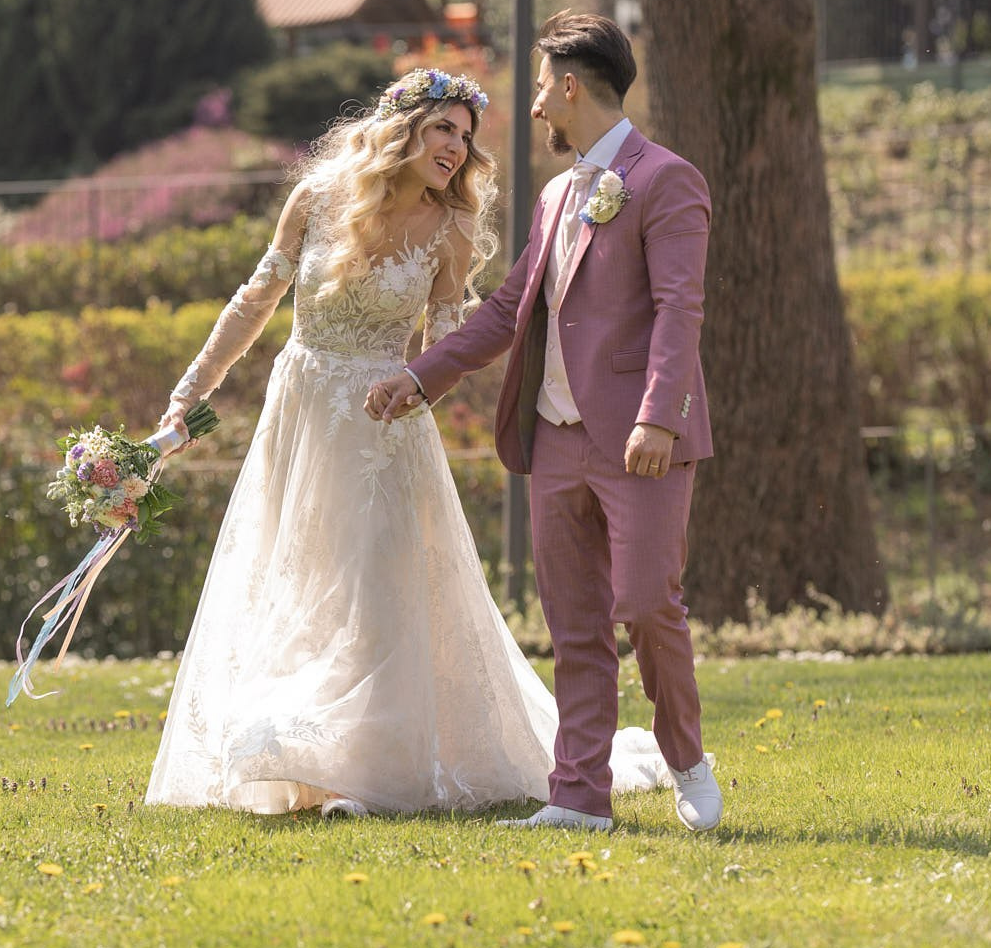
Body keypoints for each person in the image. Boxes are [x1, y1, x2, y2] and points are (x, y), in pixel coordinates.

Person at [145, 67, 673, 817]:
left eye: (466, 136)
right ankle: (297, 754)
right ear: (403, 129)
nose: (458, 148)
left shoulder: (452, 229)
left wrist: (418, 388)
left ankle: (360, 772)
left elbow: (448, 344)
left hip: (384, 430)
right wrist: (186, 396)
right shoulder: (317, 198)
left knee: (371, 594)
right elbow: (254, 301)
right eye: (443, 130)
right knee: (294, 579)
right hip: (300, 415)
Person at [369, 12, 722, 834]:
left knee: (645, 603)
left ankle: (687, 758)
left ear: (569, 85)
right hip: (556, 438)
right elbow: (508, 310)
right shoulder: (560, 193)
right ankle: (578, 796)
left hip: (642, 439)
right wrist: (420, 376)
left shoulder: (668, 179)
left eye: (538, 86)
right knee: (574, 623)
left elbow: (681, 307)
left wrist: (659, 418)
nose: (532, 107)